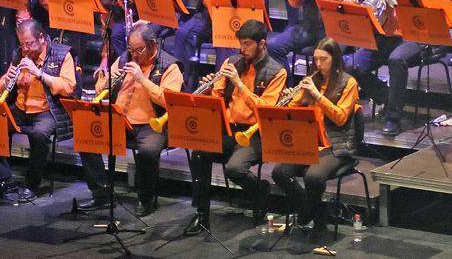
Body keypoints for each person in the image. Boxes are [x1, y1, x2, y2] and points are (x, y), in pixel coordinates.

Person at [186, 20, 287, 235]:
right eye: (241, 43)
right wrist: (207, 89)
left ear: (262, 44)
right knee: (199, 153)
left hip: (256, 133)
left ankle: (260, 190)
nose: (242, 49)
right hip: (230, 130)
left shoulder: (277, 72)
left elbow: (267, 110)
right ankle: (202, 214)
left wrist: (240, 85)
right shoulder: (232, 63)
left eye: (247, 44)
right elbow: (216, 97)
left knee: (234, 168)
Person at [78, 21, 183, 215]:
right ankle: (101, 194)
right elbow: (100, 86)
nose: (133, 55)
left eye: (139, 50)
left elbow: (170, 102)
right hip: (121, 120)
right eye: (131, 49)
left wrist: (142, 79)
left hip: (152, 125)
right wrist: (107, 79)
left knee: (148, 151)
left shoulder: (170, 67)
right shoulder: (125, 58)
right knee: (87, 140)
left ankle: (146, 199)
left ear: (153, 46)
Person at [347, 0, 440, 136]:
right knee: (351, 64)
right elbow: (373, 11)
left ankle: (393, 116)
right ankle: (386, 96)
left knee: (396, 60)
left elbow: (428, 21)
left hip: (415, 38)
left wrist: (399, 3)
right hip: (387, 35)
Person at [271, 38, 360, 232]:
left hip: (336, 146)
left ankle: (311, 217)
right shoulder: (313, 80)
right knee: (279, 172)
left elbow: (341, 118)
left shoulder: (348, 83)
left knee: (313, 176)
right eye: (316, 60)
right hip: (309, 142)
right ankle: (315, 211)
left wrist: (318, 97)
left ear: (335, 59)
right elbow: (293, 109)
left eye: (323, 59)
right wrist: (290, 98)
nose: (318, 64)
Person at [0, 20, 77, 201]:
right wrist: (7, 79)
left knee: (39, 134)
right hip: (21, 107)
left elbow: (68, 87)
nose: (25, 49)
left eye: (29, 44)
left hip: (47, 110)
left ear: (42, 38)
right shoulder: (19, 54)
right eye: (22, 44)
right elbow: (0, 88)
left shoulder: (62, 53)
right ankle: (6, 180)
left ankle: (31, 185)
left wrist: (39, 74)